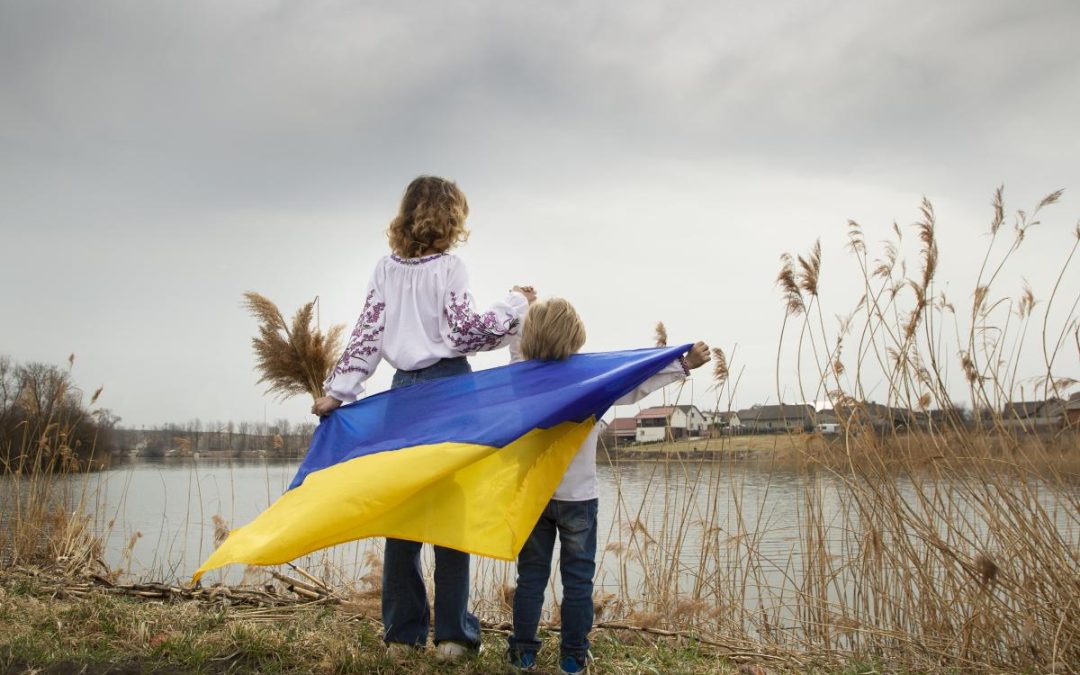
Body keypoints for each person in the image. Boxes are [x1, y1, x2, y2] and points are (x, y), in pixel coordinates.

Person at [312, 175, 536, 661]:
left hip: (404, 395)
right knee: (451, 512)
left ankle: (402, 636)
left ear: (406, 214)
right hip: (452, 390)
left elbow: (367, 336)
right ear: (452, 218)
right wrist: (517, 303)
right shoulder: (452, 268)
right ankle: (453, 637)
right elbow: (465, 334)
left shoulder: (384, 270)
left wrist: (337, 392)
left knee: (404, 512)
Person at [505, 298, 710, 673]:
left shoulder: (520, 379)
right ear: (576, 338)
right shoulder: (590, 382)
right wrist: (683, 365)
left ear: (530, 336)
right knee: (579, 581)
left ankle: (523, 654)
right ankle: (572, 657)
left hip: (534, 497)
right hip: (578, 500)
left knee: (530, 578)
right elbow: (637, 385)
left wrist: (524, 307)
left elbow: (517, 350)